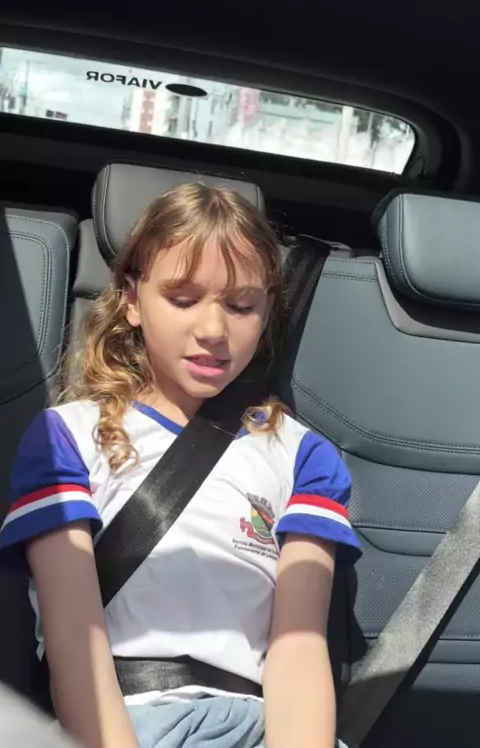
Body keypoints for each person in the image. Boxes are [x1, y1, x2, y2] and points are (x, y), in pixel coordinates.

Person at [0, 183, 360, 748]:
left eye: (241, 306)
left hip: (259, 725)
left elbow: (299, 646)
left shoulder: (301, 455)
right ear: (132, 301)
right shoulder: (67, 437)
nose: (214, 330)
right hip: (125, 721)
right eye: (183, 300)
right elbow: (75, 639)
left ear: (267, 313)